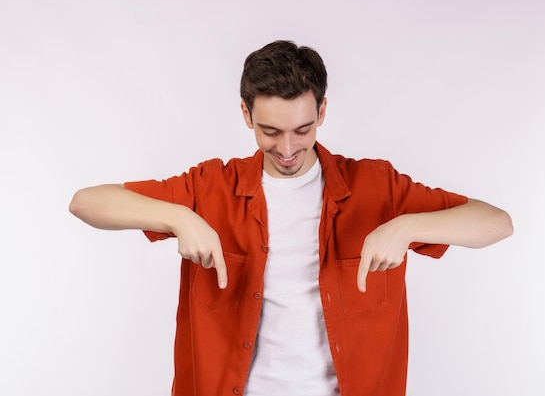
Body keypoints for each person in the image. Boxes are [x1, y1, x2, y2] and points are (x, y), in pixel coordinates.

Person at [69, 40, 513, 396]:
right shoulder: (210, 187)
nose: (286, 150)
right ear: (246, 115)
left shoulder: (377, 186)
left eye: (302, 130)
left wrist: (409, 226)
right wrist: (179, 217)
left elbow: (496, 222)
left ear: (321, 112)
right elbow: (87, 201)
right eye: (270, 131)